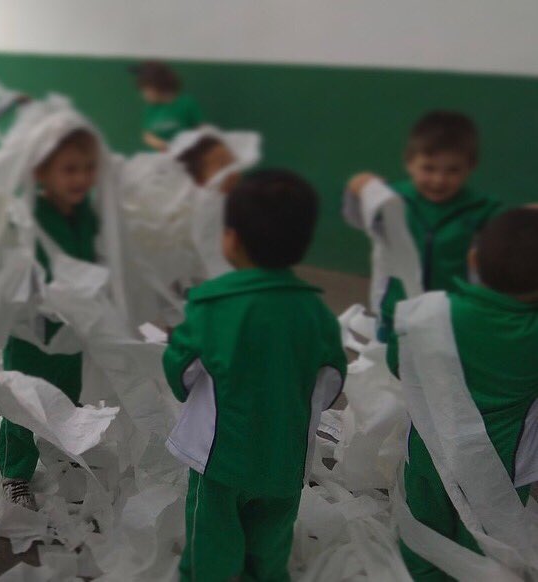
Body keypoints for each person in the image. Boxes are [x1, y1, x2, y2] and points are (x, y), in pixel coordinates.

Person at [163, 170, 347, 581]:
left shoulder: (212, 306)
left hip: (220, 457)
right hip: (284, 456)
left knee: (212, 534)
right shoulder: (318, 314)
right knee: (272, 533)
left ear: (230, 238)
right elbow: (332, 380)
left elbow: (183, 369)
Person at [389, 208, 538, 581]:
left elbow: (398, 365)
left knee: (425, 537)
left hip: (428, 453)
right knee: (485, 551)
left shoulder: (427, 315)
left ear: (472, 259)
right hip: (503, 471)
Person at [0, 128, 101, 510]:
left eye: (87, 169)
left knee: (66, 393)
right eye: (69, 169)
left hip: (72, 327)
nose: (80, 178)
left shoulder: (86, 214)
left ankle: (59, 453)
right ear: (42, 174)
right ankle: (16, 472)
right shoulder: (29, 218)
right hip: (30, 330)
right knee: (24, 402)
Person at [345, 111, 502, 340]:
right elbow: (358, 219)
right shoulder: (392, 201)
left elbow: (511, 236)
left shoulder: (482, 209)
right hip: (396, 312)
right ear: (409, 162)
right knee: (393, 370)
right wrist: (356, 190)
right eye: (428, 168)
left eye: (453, 170)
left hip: (453, 315)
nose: (439, 179)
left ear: (471, 166)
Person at [132, 61, 202, 151]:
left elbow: (201, 130)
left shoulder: (186, 103)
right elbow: (147, 136)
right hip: (159, 159)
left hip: (185, 156)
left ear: (158, 86)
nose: (143, 95)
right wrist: (161, 144)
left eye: (146, 90)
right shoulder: (150, 109)